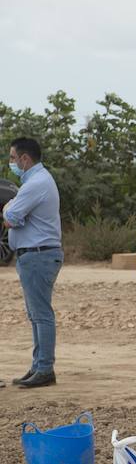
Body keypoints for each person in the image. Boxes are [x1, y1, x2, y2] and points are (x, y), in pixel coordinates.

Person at [4, 137, 63, 388]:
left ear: (25, 159)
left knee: (41, 314)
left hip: (39, 255)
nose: (11, 163)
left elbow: (10, 217)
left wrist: (8, 208)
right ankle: (39, 365)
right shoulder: (36, 181)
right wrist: (11, 209)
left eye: (12, 158)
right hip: (35, 255)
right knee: (36, 314)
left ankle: (45, 368)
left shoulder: (36, 183)